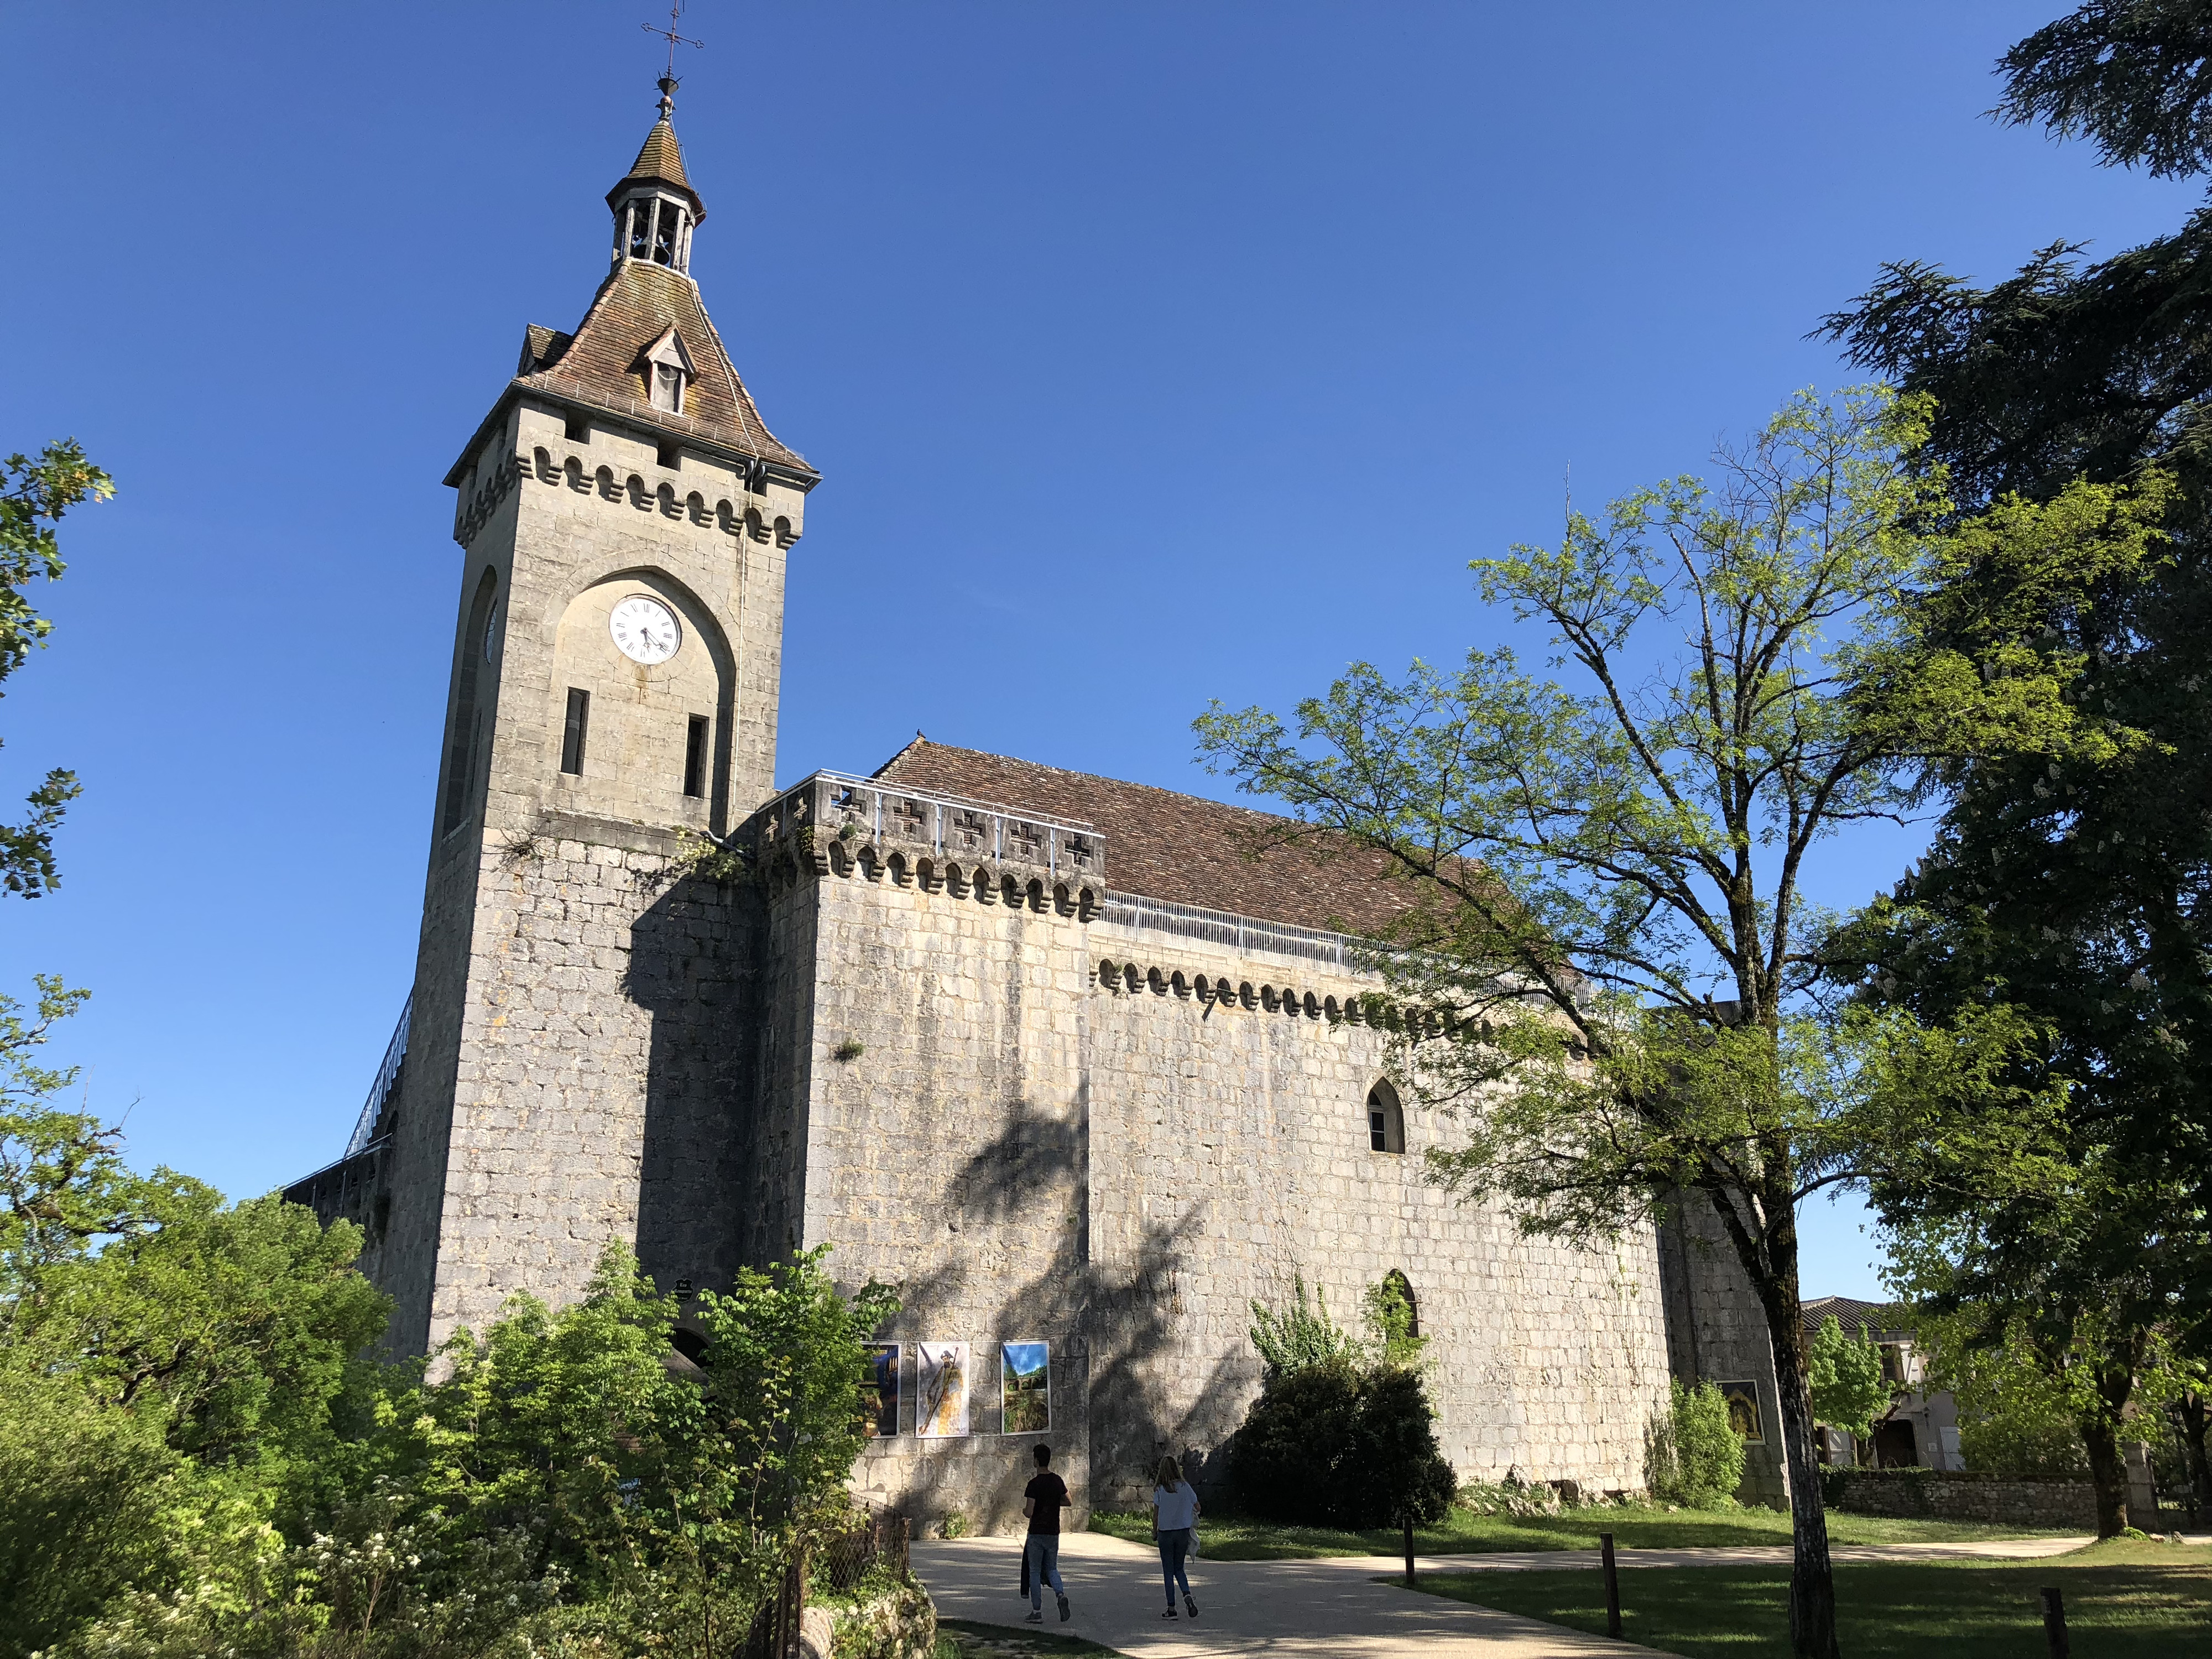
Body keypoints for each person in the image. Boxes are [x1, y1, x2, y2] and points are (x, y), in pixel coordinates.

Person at [1021, 1442, 1072, 1623]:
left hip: (1036, 1533)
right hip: (1053, 1532)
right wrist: (1053, 1503)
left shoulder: (1033, 1484)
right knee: (1052, 1568)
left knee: (1034, 1571)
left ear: (1036, 1461)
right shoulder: (1057, 1480)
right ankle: (1060, 1594)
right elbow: (1068, 1500)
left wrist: (1023, 1511)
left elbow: (1030, 1512)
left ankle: (1037, 1612)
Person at [1150, 1455, 1200, 1619]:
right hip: (1183, 1532)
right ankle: (1187, 1594)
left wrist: (1154, 1531)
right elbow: (1198, 1506)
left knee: (1168, 1571)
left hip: (1166, 1533)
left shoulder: (1159, 1490)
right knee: (1179, 1568)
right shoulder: (1185, 1487)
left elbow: (1156, 1515)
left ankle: (1171, 1608)